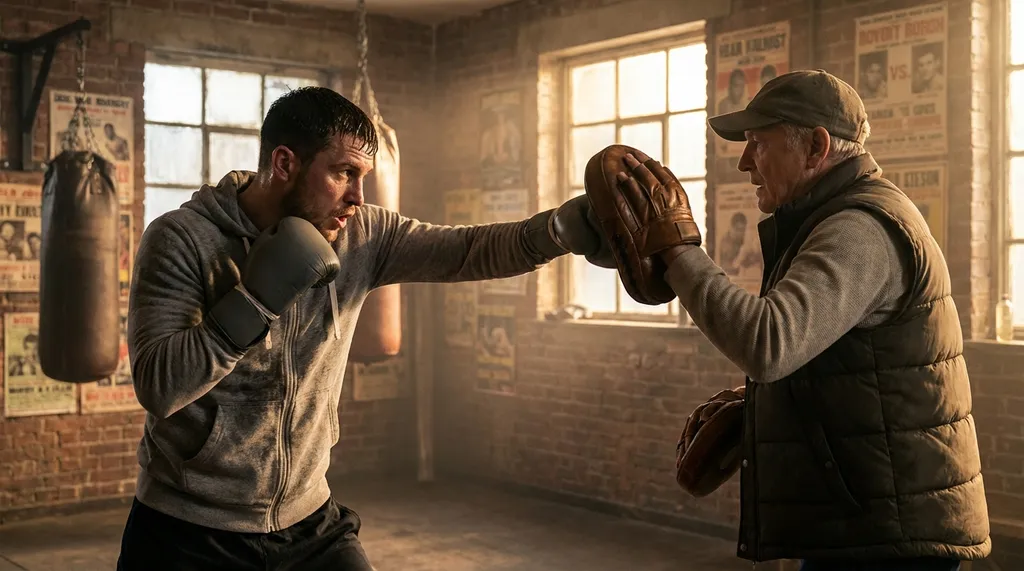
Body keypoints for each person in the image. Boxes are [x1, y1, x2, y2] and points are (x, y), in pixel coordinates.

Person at [117, 86, 613, 571]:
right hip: (188, 527)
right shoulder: (181, 240)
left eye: (364, 176)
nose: (358, 195)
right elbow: (160, 387)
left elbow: (464, 250)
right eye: (343, 173)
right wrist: (254, 300)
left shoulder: (364, 234)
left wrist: (556, 231)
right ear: (285, 164)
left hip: (307, 520)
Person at [612, 70, 990, 570]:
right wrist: (771, 407)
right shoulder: (832, 219)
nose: (745, 163)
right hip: (867, 520)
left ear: (815, 146)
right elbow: (847, 365)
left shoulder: (860, 229)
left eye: (757, 144)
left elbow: (768, 344)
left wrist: (676, 248)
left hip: (888, 537)